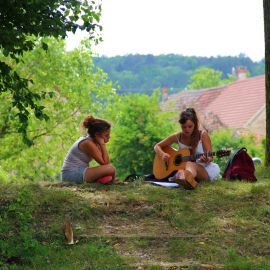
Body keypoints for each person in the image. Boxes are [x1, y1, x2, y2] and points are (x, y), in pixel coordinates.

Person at [154, 108, 220, 189]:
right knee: (182, 169)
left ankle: (187, 179)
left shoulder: (202, 135)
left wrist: (207, 159)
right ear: (181, 125)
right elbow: (157, 146)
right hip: (185, 168)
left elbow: (210, 156)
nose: (187, 129)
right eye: (184, 127)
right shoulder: (178, 136)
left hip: (204, 170)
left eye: (190, 126)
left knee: (189, 164)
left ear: (195, 125)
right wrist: (162, 154)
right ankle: (186, 179)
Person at [61, 115, 118, 184]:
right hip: (71, 174)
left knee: (109, 172)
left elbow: (105, 162)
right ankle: (111, 182)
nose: (109, 137)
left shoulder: (93, 142)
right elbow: (106, 164)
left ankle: (105, 181)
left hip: (79, 172)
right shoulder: (87, 143)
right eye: (106, 135)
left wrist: (101, 144)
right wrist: (102, 144)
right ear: (97, 135)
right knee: (111, 169)